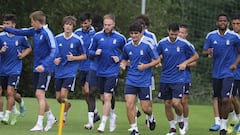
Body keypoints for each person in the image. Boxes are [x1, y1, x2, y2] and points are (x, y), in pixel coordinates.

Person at [0, 10, 58, 131]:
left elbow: (54, 51)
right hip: (37, 68)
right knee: (40, 95)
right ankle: (51, 117)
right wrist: (5, 28)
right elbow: (19, 31)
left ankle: (39, 123)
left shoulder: (47, 33)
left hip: (45, 68)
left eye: (32, 21)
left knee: (39, 94)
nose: (31, 24)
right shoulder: (34, 31)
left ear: (38, 22)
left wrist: (44, 64)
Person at [157, 23, 199, 135]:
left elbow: (196, 56)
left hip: (179, 78)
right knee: (167, 103)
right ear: (168, 31)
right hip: (165, 78)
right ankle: (172, 128)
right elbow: (156, 55)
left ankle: (181, 119)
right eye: (173, 34)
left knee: (177, 103)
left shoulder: (185, 44)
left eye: (177, 34)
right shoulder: (162, 43)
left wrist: (185, 63)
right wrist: (157, 62)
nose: (175, 36)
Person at [202, 13, 240, 135]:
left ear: (227, 23)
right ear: (217, 23)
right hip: (216, 73)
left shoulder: (234, 37)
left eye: (224, 21)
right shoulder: (211, 36)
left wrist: (235, 63)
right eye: (220, 21)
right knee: (218, 99)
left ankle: (223, 125)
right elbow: (204, 52)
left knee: (225, 98)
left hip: (229, 73)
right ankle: (225, 121)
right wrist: (208, 52)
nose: (222, 23)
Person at [120, 21, 159, 135]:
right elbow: (124, 58)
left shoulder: (148, 45)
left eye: (136, 33)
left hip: (144, 81)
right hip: (131, 79)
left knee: (146, 108)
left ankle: (151, 117)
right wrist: (123, 64)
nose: (133, 36)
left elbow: (157, 60)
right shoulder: (127, 46)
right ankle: (134, 129)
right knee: (129, 104)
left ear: (141, 33)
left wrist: (145, 66)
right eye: (131, 33)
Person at [89, 14, 126, 133]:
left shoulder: (120, 38)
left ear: (114, 24)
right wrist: (96, 53)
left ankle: (103, 125)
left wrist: (119, 58)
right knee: (102, 98)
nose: (107, 27)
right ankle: (112, 116)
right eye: (105, 25)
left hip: (112, 71)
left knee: (107, 96)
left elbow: (127, 53)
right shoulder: (97, 36)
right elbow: (89, 51)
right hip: (100, 71)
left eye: (109, 25)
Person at [0, 14, 32, 125]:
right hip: (2, 69)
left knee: (9, 92)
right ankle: (19, 104)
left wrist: (22, 55)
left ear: (14, 25)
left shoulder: (21, 36)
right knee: (7, 93)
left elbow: (29, 48)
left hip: (15, 69)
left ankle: (7, 115)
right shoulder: (1, 36)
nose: (5, 26)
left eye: (8, 24)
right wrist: (1, 51)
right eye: (4, 23)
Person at [54, 16, 86, 126]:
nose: (68, 26)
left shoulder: (77, 40)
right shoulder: (57, 38)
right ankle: (67, 105)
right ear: (63, 25)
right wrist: (54, 60)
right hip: (59, 71)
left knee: (63, 95)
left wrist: (74, 58)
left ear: (73, 26)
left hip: (70, 72)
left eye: (70, 25)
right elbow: (52, 53)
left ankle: (62, 120)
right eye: (66, 24)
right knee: (58, 97)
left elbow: (84, 56)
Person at [74, 13, 100, 129]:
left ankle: (92, 118)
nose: (84, 25)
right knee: (85, 93)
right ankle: (95, 112)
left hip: (92, 66)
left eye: (85, 23)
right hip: (82, 66)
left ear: (90, 22)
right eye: (82, 23)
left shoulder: (95, 34)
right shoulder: (77, 33)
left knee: (88, 90)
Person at [134, 14, 158, 120]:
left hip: (147, 72)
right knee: (131, 97)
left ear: (145, 26)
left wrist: (155, 62)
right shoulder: (132, 36)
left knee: (147, 99)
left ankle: (149, 117)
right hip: (134, 72)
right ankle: (134, 116)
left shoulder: (151, 36)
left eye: (142, 24)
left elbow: (155, 51)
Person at [178, 24, 197, 131]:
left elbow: (194, 63)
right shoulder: (172, 44)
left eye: (182, 32)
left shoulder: (189, 46)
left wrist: (184, 64)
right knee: (174, 102)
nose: (180, 34)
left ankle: (185, 122)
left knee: (183, 100)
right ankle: (178, 119)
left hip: (185, 77)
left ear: (186, 34)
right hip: (172, 77)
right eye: (179, 32)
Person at [227, 13, 240, 134]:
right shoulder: (229, 36)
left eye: (238, 24)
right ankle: (235, 118)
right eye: (234, 24)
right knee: (229, 97)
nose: (236, 26)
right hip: (233, 73)